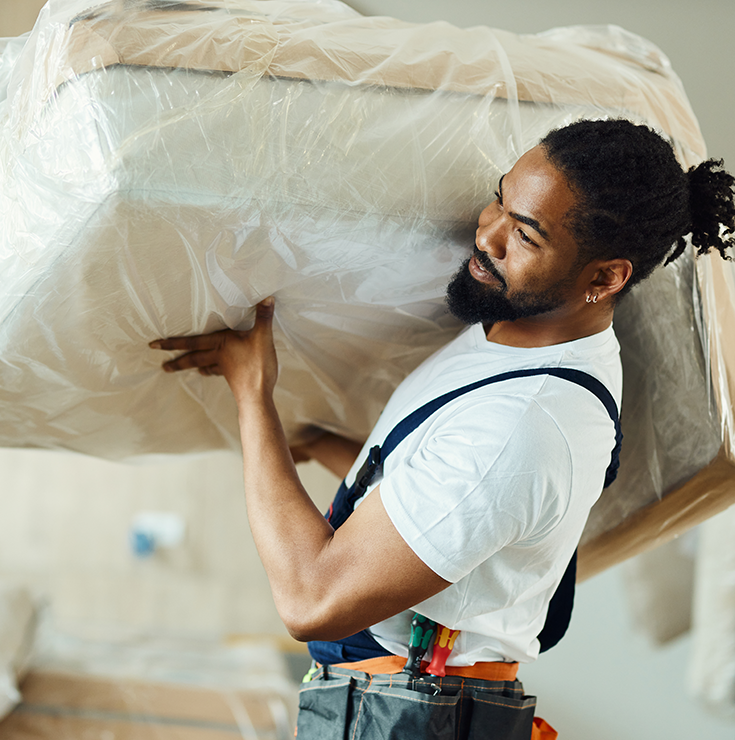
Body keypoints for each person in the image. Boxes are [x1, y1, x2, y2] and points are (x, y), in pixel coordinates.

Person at [151, 119, 735, 739]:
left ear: (603, 278)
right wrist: (320, 443)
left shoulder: (524, 423)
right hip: (392, 699)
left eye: (526, 235)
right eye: (500, 199)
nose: (487, 235)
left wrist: (253, 396)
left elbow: (311, 600)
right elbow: (436, 489)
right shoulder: (516, 335)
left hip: (401, 715)